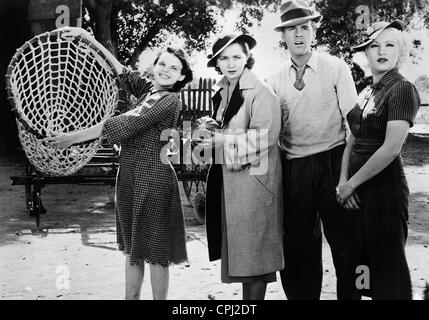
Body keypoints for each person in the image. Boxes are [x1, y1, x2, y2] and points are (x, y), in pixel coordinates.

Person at [47, 27, 193, 300]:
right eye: (162, 64)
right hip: (129, 178)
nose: (165, 70)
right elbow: (122, 72)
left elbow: (126, 122)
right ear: (155, 65)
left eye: (173, 68)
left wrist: (72, 138)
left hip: (153, 179)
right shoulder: (151, 90)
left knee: (156, 253)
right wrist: (86, 37)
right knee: (133, 250)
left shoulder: (169, 100)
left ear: (181, 76)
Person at [267, 0, 359, 299]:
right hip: (294, 169)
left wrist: (350, 178)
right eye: (291, 29)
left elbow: (356, 126)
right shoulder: (275, 78)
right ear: (283, 36)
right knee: (297, 249)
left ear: (313, 30)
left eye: (304, 27)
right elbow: (267, 130)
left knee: (346, 245)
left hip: (334, 162)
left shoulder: (335, 67)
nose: (298, 35)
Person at [336, 20, 421, 300]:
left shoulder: (402, 89)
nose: (381, 51)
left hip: (385, 191)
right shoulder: (366, 92)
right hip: (355, 192)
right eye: (374, 45)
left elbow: (390, 148)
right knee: (357, 267)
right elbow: (353, 139)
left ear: (400, 52)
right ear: (365, 53)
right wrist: (343, 182)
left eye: (390, 45)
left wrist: (352, 185)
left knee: (388, 272)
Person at [198, 34, 284, 300]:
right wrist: (209, 129)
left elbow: (265, 137)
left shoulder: (261, 91)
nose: (231, 63)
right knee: (244, 256)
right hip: (234, 183)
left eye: (237, 56)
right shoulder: (223, 90)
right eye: (224, 58)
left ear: (247, 58)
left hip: (255, 185)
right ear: (217, 62)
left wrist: (220, 139)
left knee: (255, 259)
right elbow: (227, 129)